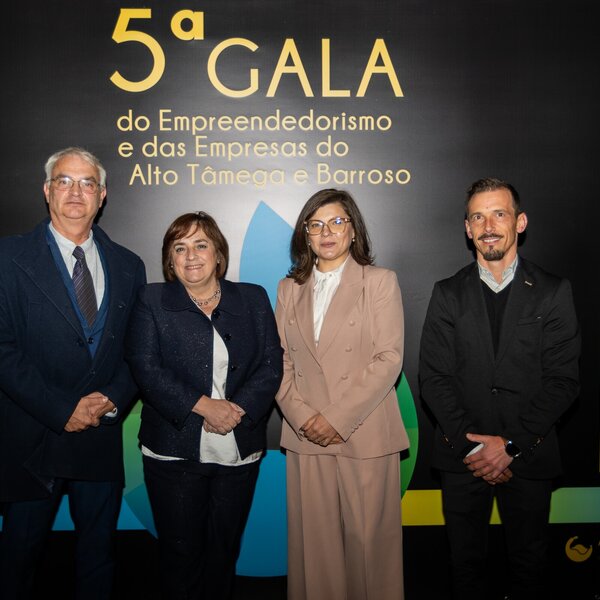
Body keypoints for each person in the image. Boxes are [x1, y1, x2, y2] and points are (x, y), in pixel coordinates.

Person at [419, 177, 580, 599]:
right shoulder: (447, 293)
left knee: (530, 569)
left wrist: (510, 445)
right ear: (467, 228)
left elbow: (563, 380)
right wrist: (475, 448)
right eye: (478, 217)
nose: (488, 226)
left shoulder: (553, 291)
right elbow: (434, 378)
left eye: (499, 214)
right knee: (464, 569)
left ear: (519, 222)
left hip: (528, 454)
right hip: (462, 458)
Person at [0, 147, 147, 599]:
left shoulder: (129, 265)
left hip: (99, 438)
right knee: (17, 562)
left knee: (98, 562)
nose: (76, 192)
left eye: (87, 183)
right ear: (47, 191)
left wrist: (112, 399)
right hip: (34, 437)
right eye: (64, 181)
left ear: (102, 196)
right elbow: (2, 350)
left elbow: (138, 351)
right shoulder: (7, 257)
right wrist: (62, 409)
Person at [125, 211, 283, 600]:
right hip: (173, 452)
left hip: (238, 449)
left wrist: (236, 409)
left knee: (223, 553)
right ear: (170, 258)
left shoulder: (253, 298)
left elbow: (271, 364)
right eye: (180, 248)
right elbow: (145, 367)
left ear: (218, 253)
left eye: (200, 245)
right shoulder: (152, 299)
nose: (191, 256)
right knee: (180, 556)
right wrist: (204, 406)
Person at [275, 188, 408, 600]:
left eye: (336, 222)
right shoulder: (288, 289)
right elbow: (279, 363)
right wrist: (304, 418)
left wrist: (335, 418)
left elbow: (389, 359)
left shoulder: (379, 282)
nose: (327, 232)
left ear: (353, 230)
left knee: (371, 551)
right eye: (316, 225)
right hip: (306, 435)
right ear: (305, 235)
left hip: (365, 431)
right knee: (315, 552)